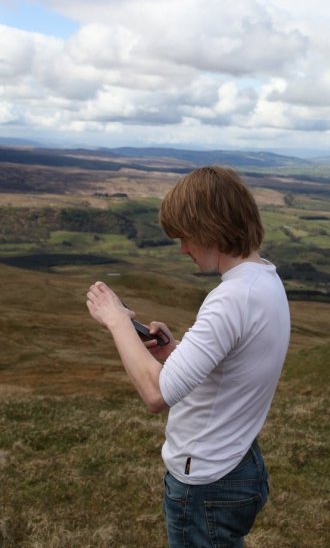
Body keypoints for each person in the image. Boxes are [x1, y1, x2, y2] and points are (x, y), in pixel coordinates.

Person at [86, 166, 290, 547]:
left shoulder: (230, 300)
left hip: (207, 482)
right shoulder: (265, 280)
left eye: (186, 236)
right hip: (238, 462)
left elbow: (154, 394)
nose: (182, 249)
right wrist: (174, 353)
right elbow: (234, 370)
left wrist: (116, 321)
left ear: (211, 227)